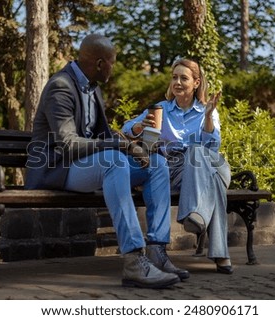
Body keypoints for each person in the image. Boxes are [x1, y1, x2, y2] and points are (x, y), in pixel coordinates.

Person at [25, 34, 189, 288]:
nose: (114, 67)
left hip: (91, 166)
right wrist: (119, 146)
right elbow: (68, 144)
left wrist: (133, 144)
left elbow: (102, 134)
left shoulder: (92, 88)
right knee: (115, 161)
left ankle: (157, 251)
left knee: (156, 164)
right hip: (59, 168)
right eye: (113, 62)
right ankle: (135, 261)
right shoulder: (61, 87)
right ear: (101, 63)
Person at [122, 58, 234, 274]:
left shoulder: (206, 110)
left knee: (197, 151)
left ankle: (195, 213)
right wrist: (139, 126)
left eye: (184, 78)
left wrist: (209, 116)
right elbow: (127, 128)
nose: (178, 82)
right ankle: (220, 252)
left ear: (196, 82)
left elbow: (213, 147)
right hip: (176, 171)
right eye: (174, 77)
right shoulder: (161, 109)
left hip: (205, 164)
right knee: (214, 184)